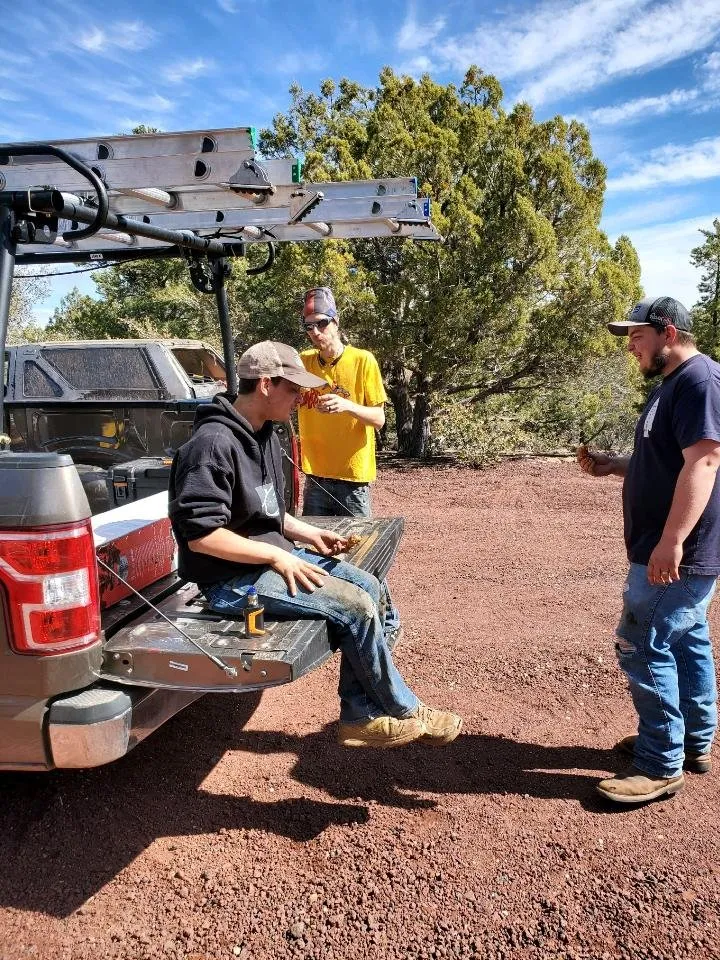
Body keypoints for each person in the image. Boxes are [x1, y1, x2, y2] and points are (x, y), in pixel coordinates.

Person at [168, 340, 462, 749]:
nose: (301, 398)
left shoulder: (265, 434)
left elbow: (264, 512)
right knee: (356, 608)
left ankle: (359, 713)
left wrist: (308, 534)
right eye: (294, 389)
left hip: (270, 562)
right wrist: (275, 555)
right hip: (230, 581)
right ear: (267, 385)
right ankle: (402, 710)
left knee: (375, 592)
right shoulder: (212, 445)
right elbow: (201, 537)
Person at [578, 296, 720, 804]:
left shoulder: (700, 381)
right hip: (675, 549)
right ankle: (693, 743)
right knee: (686, 641)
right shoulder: (674, 386)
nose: (632, 346)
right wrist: (616, 464)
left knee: (640, 643)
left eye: (638, 335)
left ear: (668, 332)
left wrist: (671, 541)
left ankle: (661, 763)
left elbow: (704, 463)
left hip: (678, 551)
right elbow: (663, 459)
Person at [297, 286, 401, 640]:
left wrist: (348, 406)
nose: (315, 332)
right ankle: (338, 617)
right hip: (316, 473)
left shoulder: (362, 361)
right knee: (315, 550)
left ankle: (387, 621)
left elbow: (379, 418)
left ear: (336, 323)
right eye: (308, 326)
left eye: (321, 324)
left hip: (352, 477)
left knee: (363, 552)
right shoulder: (304, 363)